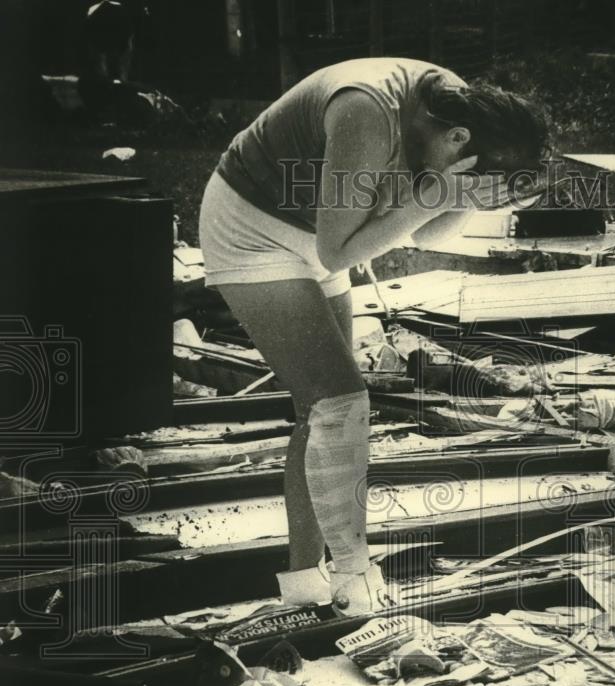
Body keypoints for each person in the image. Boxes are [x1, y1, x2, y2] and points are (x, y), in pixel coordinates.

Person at [199, 57, 549, 617]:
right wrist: (434, 197)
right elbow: (340, 251)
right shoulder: (367, 113)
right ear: (459, 139)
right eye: (474, 171)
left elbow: (423, 225)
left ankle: (302, 584)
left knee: (321, 410)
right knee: (341, 404)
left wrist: (458, 197)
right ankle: (354, 578)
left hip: (314, 229)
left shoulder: (456, 112)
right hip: (253, 227)